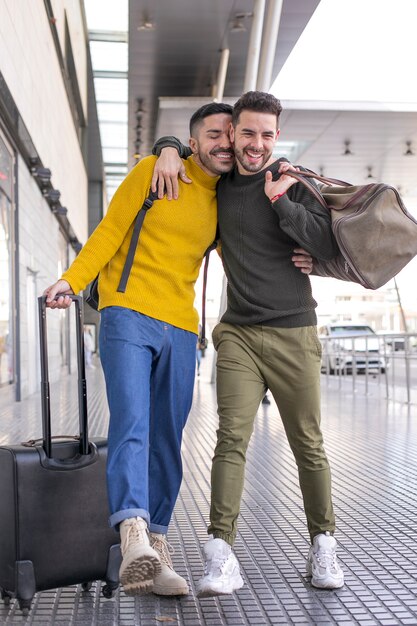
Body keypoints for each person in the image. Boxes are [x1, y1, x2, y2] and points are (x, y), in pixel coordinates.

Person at [152, 90, 344, 595]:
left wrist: (282, 200)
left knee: (309, 443)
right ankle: (221, 554)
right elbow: (181, 149)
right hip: (237, 332)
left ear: (276, 136)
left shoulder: (291, 183)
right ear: (232, 133)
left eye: (266, 134)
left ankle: (324, 543)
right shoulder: (216, 187)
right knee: (230, 438)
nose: (256, 143)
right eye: (247, 132)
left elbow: (326, 244)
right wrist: (168, 145)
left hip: (294, 331)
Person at [42, 102, 236, 597]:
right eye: (213, 134)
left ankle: (157, 545)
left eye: (229, 137)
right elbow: (109, 231)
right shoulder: (154, 170)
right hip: (127, 312)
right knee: (133, 424)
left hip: (180, 327)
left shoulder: (228, 200)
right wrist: (71, 279)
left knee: (167, 438)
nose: (224, 144)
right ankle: (131, 533)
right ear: (193, 142)